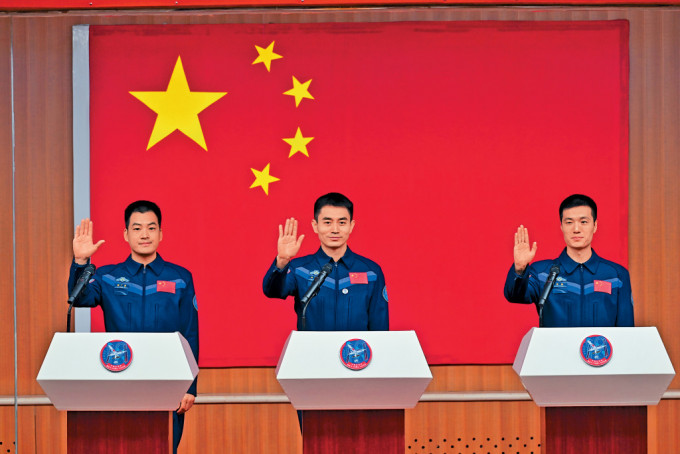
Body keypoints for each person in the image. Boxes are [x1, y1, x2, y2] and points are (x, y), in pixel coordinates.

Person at [68, 200, 198, 454]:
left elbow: (190, 333)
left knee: (163, 446)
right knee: (119, 445)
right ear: (126, 234)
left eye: (151, 228)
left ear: (161, 233)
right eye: (137, 228)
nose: (145, 234)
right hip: (118, 377)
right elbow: (80, 299)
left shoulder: (180, 278)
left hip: (167, 380)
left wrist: (189, 386)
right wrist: (80, 262)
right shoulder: (107, 277)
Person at [263, 192, 389, 331]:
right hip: (312, 346)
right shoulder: (300, 269)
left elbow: (380, 328)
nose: (335, 230)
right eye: (327, 222)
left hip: (355, 346)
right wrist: (282, 260)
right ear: (315, 225)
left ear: (351, 226)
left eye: (342, 223)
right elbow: (273, 292)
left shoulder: (371, 272)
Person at [504, 194, 634, 327]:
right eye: (569, 222)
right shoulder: (543, 273)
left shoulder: (616, 275)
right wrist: (520, 269)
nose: (576, 229)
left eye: (584, 222)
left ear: (595, 226)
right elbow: (515, 296)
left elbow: (627, 329)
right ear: (561, 226)